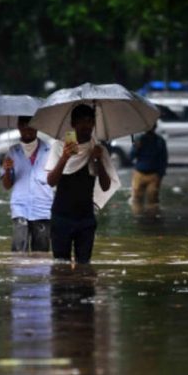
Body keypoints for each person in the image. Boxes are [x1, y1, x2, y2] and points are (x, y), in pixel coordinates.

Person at [45, 104, 120, 264]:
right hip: (61, 217)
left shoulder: (97, 149)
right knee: (61, 266)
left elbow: (105, 186)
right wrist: (64, 157)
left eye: (90, 121)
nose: (87, 126)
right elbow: (51, 181)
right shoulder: (60, 146)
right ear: (73, 124)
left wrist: (98, 160)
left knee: (84, 266)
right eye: (82, 121)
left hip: (86, 218)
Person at [1, 116, 54, 252]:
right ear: (19, 127)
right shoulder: (12, 152)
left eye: (31, 126)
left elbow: (55, 180)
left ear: (37, 127)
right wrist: (7, 170)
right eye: (24, 126)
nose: (28, 129)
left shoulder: (50, 150)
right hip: (20, 207)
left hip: (43, 207)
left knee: (41, 254)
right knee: (18, 251)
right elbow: (7, 185)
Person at [129, 123, 168, 207]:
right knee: (136, 200)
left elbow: (163, 159)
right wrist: (136, 147)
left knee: (152, 201)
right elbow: (131, 156)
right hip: (140, 174)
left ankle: (151, 214)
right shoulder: (139, 140)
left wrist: (160, 175)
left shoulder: (159, 141)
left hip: (153, 175)